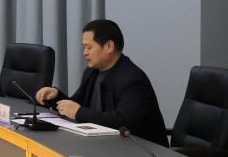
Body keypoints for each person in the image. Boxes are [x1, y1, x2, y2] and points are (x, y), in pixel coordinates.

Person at [35, 19, 168, 145]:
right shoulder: (91, 72)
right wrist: (56, 96)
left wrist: (78, 112)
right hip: (105, 145)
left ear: (109, 46)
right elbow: (77, 105)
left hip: (142, 152)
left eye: (89, 47)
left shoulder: (133, 79)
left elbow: (123, 121)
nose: (84, 53)